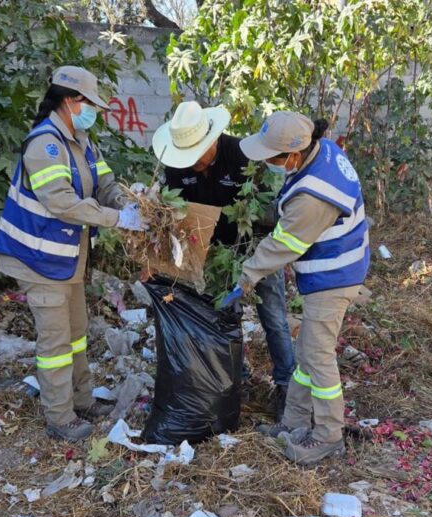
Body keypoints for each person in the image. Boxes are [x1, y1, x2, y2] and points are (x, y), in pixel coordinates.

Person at [0, 66, 149, 441]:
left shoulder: (81, 140)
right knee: (56, 342)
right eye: (87, 103)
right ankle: (59, 416)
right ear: (68, 101)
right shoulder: (44, 144)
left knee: (77, 333)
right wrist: (118, 219)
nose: (92, 110)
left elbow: (105, 183)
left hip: (66, 258)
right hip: (37, 257)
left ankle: (82, 400)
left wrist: (132, 203)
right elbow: (62, 202)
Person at [221, 111, 370, 465]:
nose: (267, 163)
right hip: (340, 264)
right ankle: (294, 422)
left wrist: (246, 277)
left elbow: (284, 244)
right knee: (306, 354)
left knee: (318, 357)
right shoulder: (324, 150)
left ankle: (328, 436)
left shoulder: (312, 196)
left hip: (333, 277)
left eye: (271, 158)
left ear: (292, 156)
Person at [151, 101, 296, 420]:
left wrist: (259, 227)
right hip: (215, 256)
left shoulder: (242, 155)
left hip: (257, 250)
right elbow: (178, 218)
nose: (192, 163)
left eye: (196, 155)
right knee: (223, 318)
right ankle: (235, 380)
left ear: (211, 141)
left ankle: (287, 386)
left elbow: (273, 204)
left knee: (273, 317)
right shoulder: (176, 167)